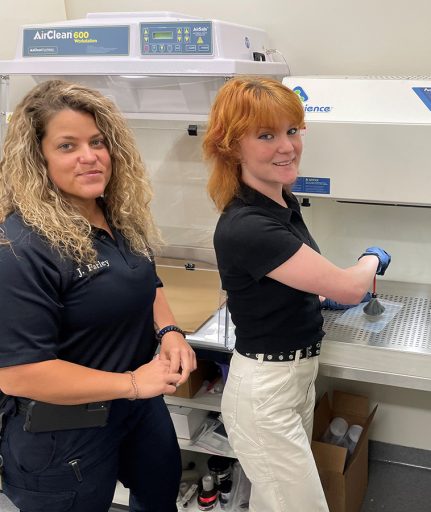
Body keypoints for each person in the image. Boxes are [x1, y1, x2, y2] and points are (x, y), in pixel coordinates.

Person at [0, 79, 197, 512]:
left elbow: (145, 281)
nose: (90, 157)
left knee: (160, 495)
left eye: (98, 142)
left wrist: (168, 331)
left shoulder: (115, 214)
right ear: (38, 158)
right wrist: (131, 383)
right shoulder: (20, 248)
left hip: (136, 407)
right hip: (65, 431)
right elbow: (18, 374)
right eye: (67, 146)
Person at [202, 76, 391, 512]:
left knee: (277, 503)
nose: (286, 146)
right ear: (232, 146)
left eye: (292, 131)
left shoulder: (280, 204)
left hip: (293, 381)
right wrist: (372, 258)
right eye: (266, 135)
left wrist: (318, 298)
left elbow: (284, 282)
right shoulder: (249, 224)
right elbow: (349, 282)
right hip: (266, 392)